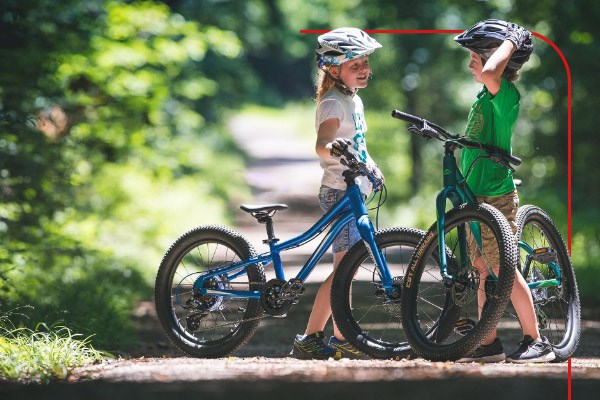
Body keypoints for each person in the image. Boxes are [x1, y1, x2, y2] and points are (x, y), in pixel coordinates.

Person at [454, 19, 555, 363]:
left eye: (475, 58)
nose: (471, 65)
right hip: (475, 196)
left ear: (494, 58)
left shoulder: (505, 95)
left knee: (503, 270)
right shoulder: (485, 95)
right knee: (484, 269)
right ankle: (488, 342)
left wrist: (511, 40)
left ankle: (536, 340)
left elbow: (491, 72)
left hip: (496, 195)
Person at [290, 27, 383, 360]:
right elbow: (322, 146)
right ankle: (335, 337)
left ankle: (315, 336)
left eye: (365, 62)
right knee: (345, 268)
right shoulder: (333, 102)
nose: (364, 68)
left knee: (347, 268)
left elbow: (359, 144)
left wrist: (371, 166)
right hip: (339, 192)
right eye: (355, 63)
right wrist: (338, 152)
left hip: (354, 191)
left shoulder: (352, 99)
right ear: (333, 68)